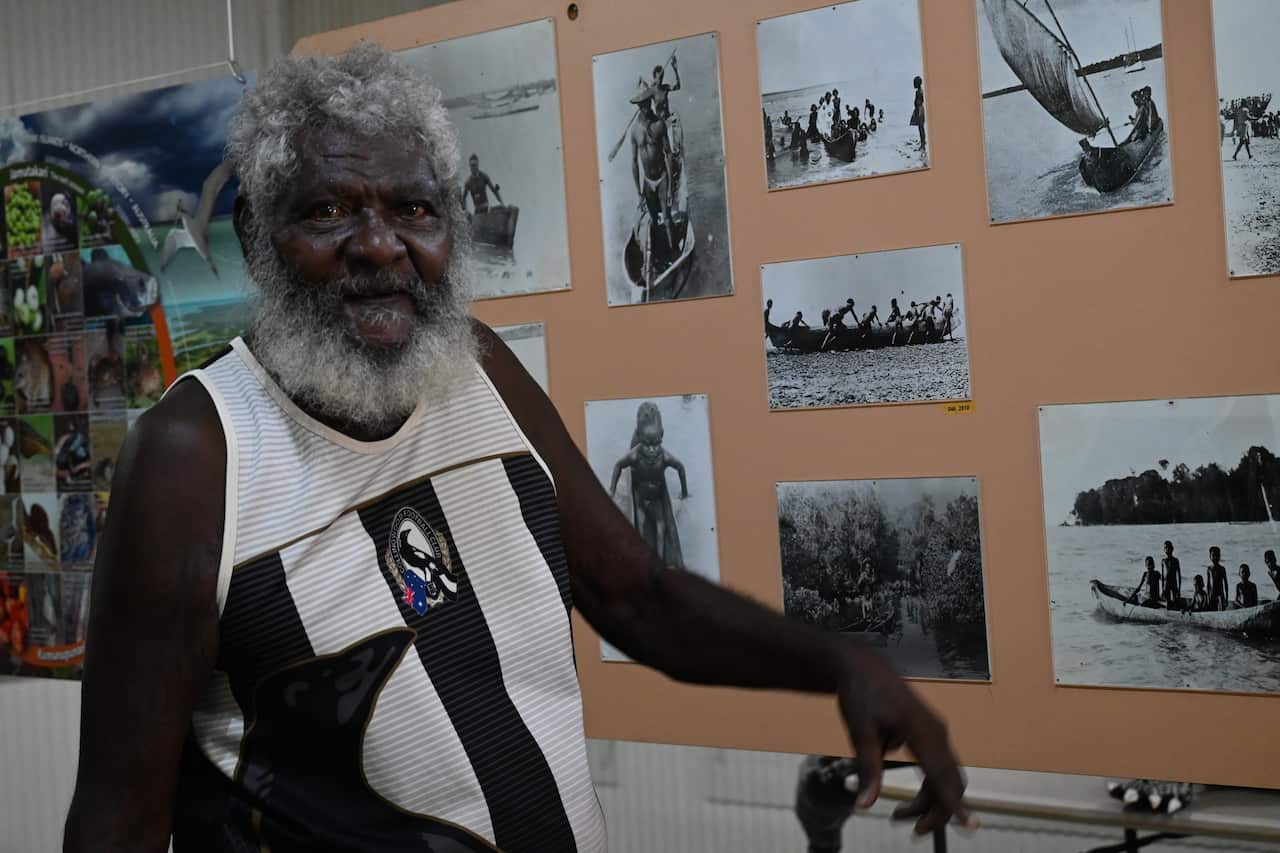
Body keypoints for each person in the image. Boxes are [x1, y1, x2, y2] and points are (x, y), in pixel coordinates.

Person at [62, 47, 972, 851]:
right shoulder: (195, 458)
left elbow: (641, 599)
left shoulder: (480, 370)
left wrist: (843, 662)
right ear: (261, 243)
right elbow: (118, 824)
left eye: (413, 208)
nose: (380, 244)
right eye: (330, 209)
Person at [610, 401, 688, 571]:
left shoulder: (665, 456)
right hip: (640, 497)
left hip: (657, 496)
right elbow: (618, 465)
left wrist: (684, 492)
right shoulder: (635, 455)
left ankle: (661, 563)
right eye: (647, 445)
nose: (652, 450)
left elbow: (680, 468)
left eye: (656, 445)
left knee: (662, 527)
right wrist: (612, 491)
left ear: (661, 436)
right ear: (639, 439)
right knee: (642, 527)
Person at [629, 81, 677, 258]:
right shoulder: (634, 132)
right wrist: (638, 192)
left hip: (662, 178)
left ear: (651, 101)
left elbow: (669, 154)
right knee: (654, 222)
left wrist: (671, 186)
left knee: (666, 218)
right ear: (637, 106)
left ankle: (673, 254)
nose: (645, 107)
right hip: (648, 182)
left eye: (647, 102)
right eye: (641, 104)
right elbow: (634, 163)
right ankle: (659, 256)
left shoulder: (660, 125)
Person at [1206, 546, 1229, 611]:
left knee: (1222, 610)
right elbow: (1208, 584)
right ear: (1210, 557)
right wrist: (1208, 596)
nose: (1215, 557)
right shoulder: (1209, 569)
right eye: (1213, 555)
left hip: (1220, 594)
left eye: (1217, 555)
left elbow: (1226, 584)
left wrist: (1226, 598)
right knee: (1212, 610)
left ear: (1220, 556)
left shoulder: (1222, 569)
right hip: (1212, 595)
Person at [1161, 540, 1182, 606]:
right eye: (1165, 548)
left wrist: (1179, 589)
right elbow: (1162, 576)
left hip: (1174, 582)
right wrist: (1162, 589)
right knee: (1168, 602)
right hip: (1166, 584)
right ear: (1164, 550)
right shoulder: (1163, 561)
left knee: (1176, 601)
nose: (1167, 549)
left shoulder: (1176, 560)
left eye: (1169, 547)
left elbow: (1178, 575)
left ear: (1172, 549)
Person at [910, 76, 926, 153]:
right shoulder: (919, 91)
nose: (913, 84)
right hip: (920, 109)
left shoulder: (919, 92)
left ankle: (922, 144)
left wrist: (918, 113)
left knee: (921, 128)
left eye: (914, 83)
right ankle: (923, 141)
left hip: (919, 110)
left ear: (917, 83)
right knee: (921, 127)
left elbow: (919, 103)